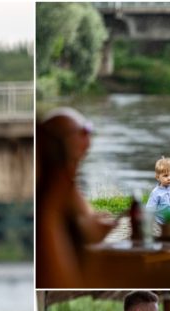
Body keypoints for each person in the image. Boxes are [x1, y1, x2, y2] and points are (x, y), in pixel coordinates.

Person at [36, 108, 118, 287]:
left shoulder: (66, 187)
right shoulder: (53, 196)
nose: (88, 138)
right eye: (83, 131)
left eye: (88, 131)